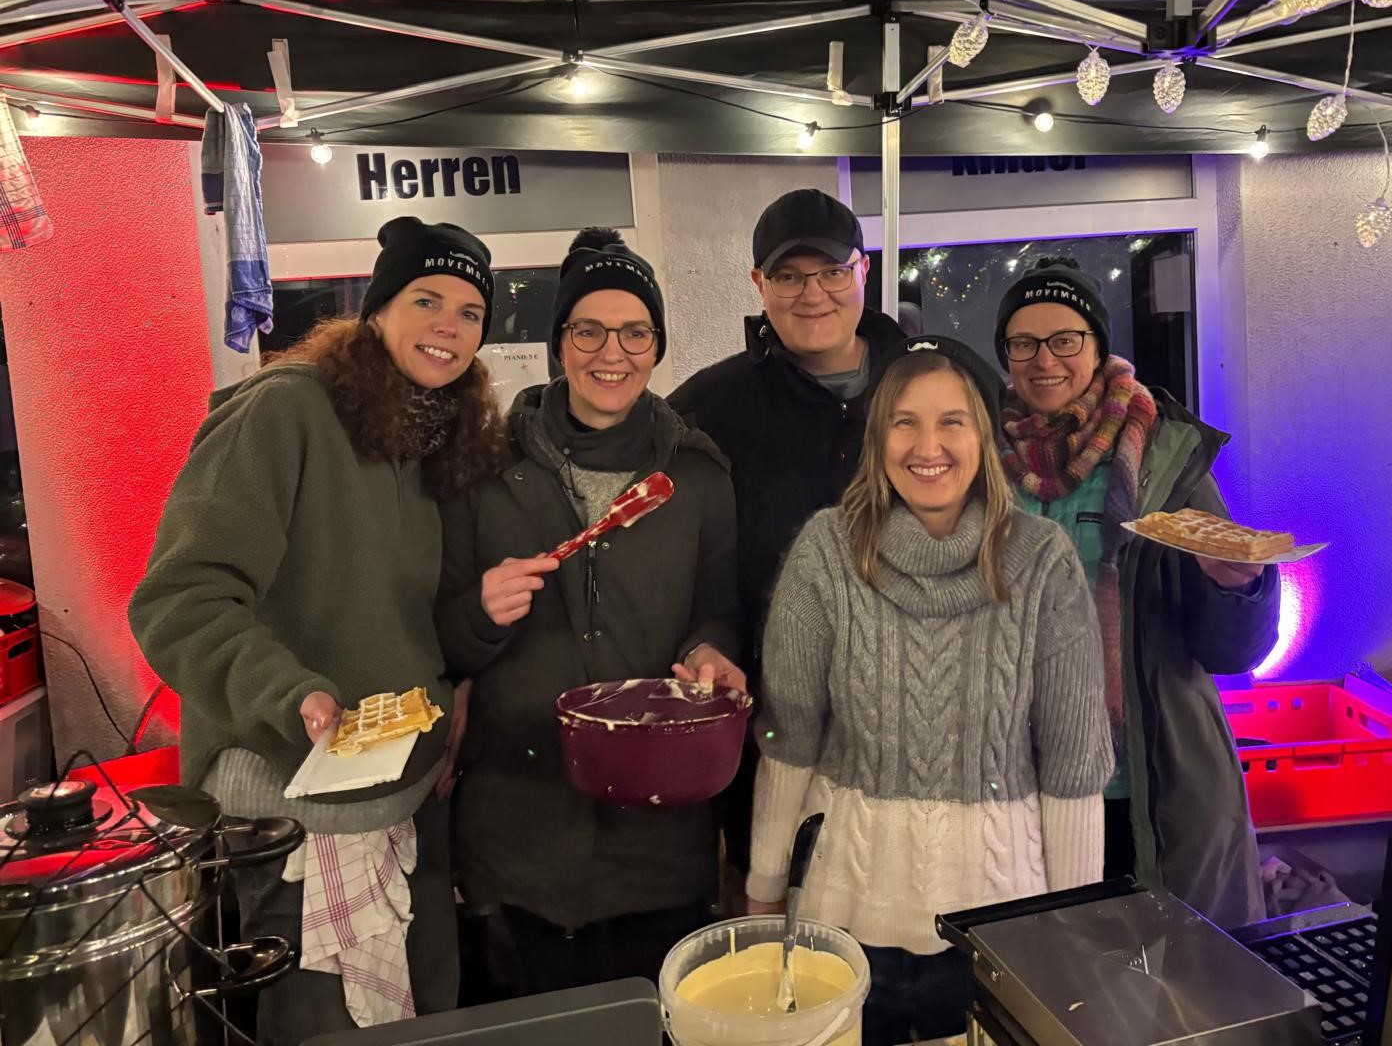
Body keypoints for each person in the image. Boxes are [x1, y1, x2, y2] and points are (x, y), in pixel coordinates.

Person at [129, 217, 507, 1045]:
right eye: (427, 299)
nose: (451, 324)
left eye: (472, 312)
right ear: (376, 310)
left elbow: (402, 617)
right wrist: (288, 691)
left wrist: (460, 685)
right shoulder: (285, 411)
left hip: (402, 795)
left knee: (424, 1017)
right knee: (324, 1026)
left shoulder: (428, 438)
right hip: (290, 800)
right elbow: (179, 598)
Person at [748, 336, 1113, 1046]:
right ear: (877, 435)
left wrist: (1068, 929)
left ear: (984, 433)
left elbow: (1073, 765)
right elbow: (787, 736)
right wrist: (764, 891)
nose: (928, 444)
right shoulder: (827, 550)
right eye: (904, 421)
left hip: (1000, 932)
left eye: (952, 420)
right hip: (841, 924)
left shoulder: (1041, 561)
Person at [436, 232, 743, 996]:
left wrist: (710, 653)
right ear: (559, 344)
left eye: (636, 331)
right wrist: (479, 610)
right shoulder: (483, 468)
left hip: (658, 842)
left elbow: (718, 612)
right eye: (588, 330)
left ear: (657, 345)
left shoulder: (697, 478)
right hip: (518, 839)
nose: (614, 351)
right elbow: (439, 642)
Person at [993, 255, 1280, 928]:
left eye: (1066, 339)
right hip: (1023, 779)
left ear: (1096, 347)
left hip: (1150, 780)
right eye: (1024, 343)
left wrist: (1238, 583)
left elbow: (1235, 651)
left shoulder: (1162, 460)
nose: (1045, 360)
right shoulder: (981, 465)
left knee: (1166, 994)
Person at [669, 188, 904, 879]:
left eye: (832, 272)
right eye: (789, 276)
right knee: (784, 930)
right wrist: (703, 646)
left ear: (864, 271)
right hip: (769, 735)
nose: (813, 294)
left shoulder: (926, 384)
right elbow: (683, 561)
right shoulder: (707, 407)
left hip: (912, 723)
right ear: (758, 285)